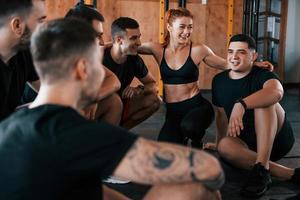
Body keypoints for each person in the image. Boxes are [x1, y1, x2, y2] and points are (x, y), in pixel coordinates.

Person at [0, 18, 224, 200]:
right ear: (82, 69)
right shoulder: (82, 134)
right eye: (99, 65)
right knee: (195, 188)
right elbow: (209, 168)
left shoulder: (8, 127)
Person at [137, 7, 273, 148]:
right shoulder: (157, 49)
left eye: (190, 27)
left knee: (190, 127)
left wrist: (253, 63)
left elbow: (226, 64)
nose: (187, 32)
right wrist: (112, 43)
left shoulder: (198, 50)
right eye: (182, 27)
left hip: (197, 107)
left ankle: (196, 141)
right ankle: (182, 137)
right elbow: (130, 46)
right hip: (172, 112)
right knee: (164, 152)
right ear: (169, 27)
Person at [212, 34, 299, 198]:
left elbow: (277, 92)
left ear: (253, 56)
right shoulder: (218, 80)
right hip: (246, 145)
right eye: (230, 52)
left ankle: (262, 166)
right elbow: (221, 116)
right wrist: (218, 144)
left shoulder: (262, 75)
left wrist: (242, 104)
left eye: (241, 52)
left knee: (264, 100)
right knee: (224, 146)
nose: (234, 57)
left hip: (276, 140)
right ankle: (287, 173)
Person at [65, 3, 122, 125]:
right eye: (97, 36)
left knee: (113, 101)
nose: (102, 42)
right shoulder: (56, 56)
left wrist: (93, 97)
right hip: (41, 118)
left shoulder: (83, 56)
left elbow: (114, 80)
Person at [103, 17, 161, 129]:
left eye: (139, 37)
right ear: (119, 40)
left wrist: (138, 89)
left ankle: (120, 133)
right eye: (133, 38)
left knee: (154, 100)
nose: (139, 43)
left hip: (121, 103)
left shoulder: (134, 59)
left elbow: (153, 85)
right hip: (101, 105)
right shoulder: (101, 58)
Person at [0, 0, 46, 121]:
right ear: (17, 25)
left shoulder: (23, 52)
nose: (45, 28)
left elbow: (49, 88)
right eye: (40, 20)